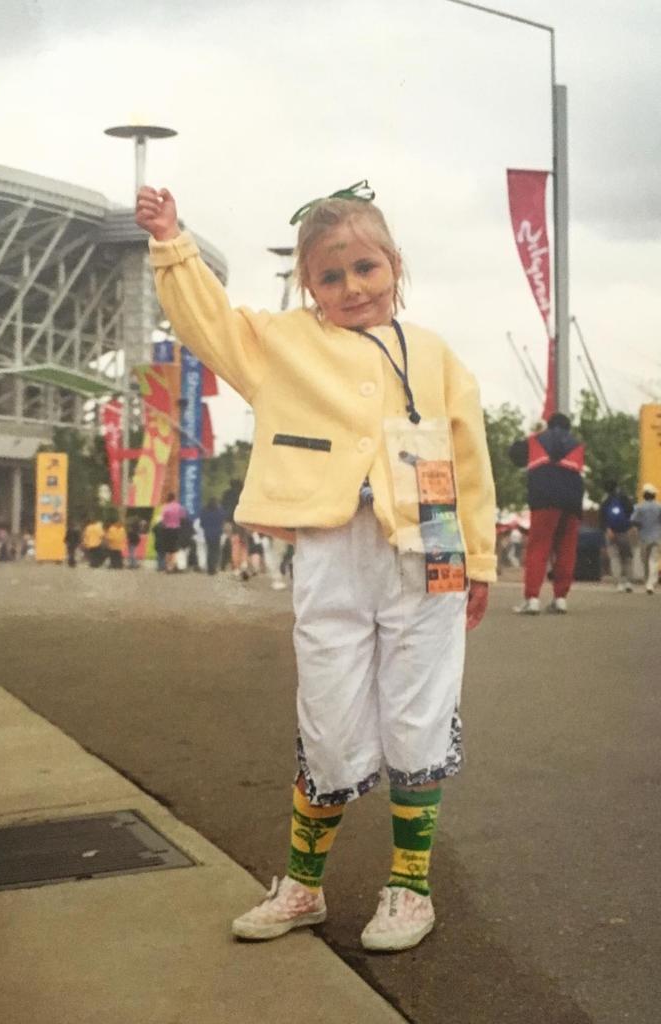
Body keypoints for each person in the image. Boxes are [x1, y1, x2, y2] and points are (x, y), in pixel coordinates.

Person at [136, 181, 496, 952]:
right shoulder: (283, 345)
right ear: (308, 285)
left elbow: (470, 458)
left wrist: (481, 556)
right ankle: (302, 886)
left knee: (419, 714)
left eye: (366, 267)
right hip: (332, 550)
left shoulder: (435, 354)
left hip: (428, 550)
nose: (352, 288)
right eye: (331, 277)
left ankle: (409, 885)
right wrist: (173, 242)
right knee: (327, 720)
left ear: (395, 264)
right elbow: (210, 323)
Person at [508, 412, 585, 614]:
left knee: (539, 547)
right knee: (566, 549)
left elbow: (515, 455)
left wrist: (531, 434)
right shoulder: (577, 444)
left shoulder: (537, 440)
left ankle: (532, 598)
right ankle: (560, 599)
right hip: (572, 501)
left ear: (549, 426)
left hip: (544, 498)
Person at [599, 480, 635, 592]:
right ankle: (628, 582)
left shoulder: (605, 501)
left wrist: (607, 529)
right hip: (625, 531)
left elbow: (601, 518)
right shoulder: (624, 498)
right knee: (627, 558)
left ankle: (619, 583)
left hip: (611, 532)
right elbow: (631, 511)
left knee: (615, 557)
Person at [630, 483, 661, 594]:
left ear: (644, 495)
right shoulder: (659, 506)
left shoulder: (639, 507)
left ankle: (647, 580)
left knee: (645, 560)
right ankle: (651, 583)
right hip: (657, 537)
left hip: (643, 537)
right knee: (654, 560)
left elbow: (633, 520)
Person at [159, 492, 187, 573]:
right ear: (174, 498)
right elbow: (183, 517)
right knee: (174, 549)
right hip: (176, 530)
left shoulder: (165, 507)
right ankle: (172, 566)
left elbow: (163, 520)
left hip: (167, 530)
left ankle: (168, 567)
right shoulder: (179, 507)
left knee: (167, 550)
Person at [199, 497, 226, 575]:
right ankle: (213, 567)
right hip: (217, 533)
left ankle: (210, 568)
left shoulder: (204, 511)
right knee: (215, 551)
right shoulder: (219, 511)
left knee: (209, 550)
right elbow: (223, 519)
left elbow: (201, 523)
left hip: (207, 533)